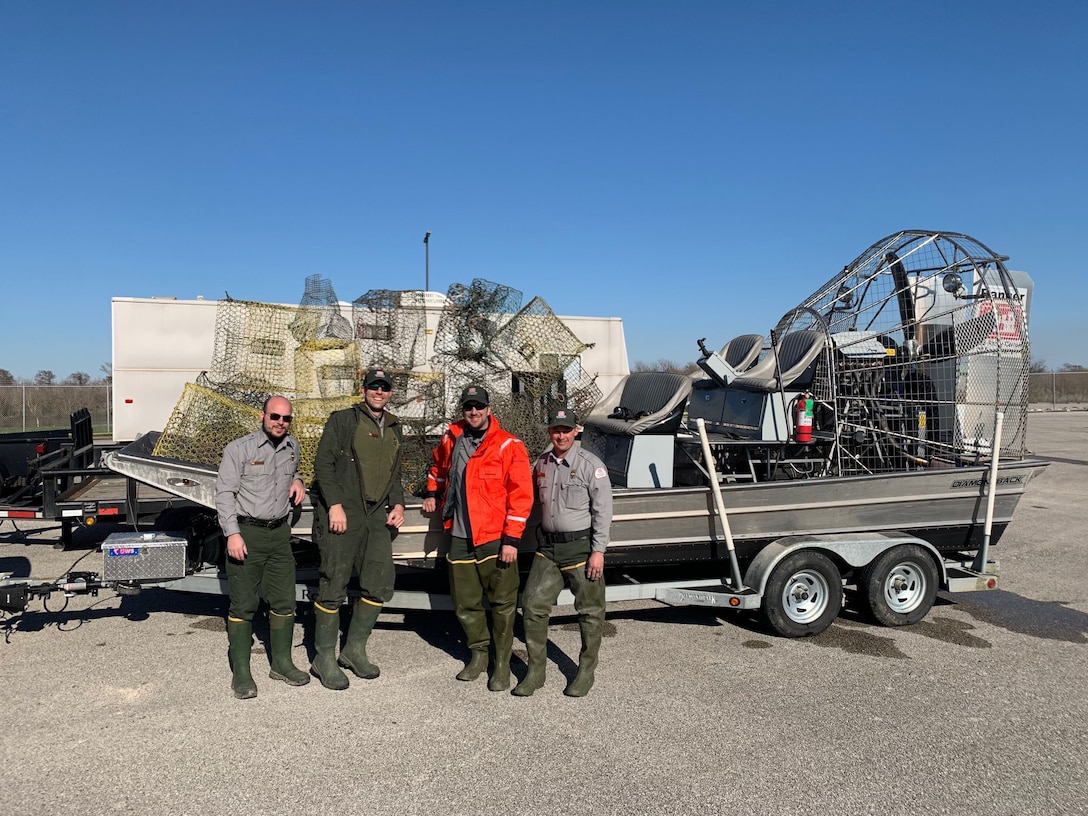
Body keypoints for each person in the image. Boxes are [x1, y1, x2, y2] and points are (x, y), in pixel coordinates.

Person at [422, 384, 533, 691]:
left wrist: (511, 539)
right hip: (458, 533)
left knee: (502, 603)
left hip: (494, 537)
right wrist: (432, 492)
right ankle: (478, 655)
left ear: (488, 409)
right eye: (468, 407)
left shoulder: (508, 445)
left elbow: (521, 495)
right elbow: (439, 467)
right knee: (466, 603)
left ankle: (501, 664)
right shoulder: (452, 436)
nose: (473, 412)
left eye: (478, 407)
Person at [309, 368, 405, 690]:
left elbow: (395, 472)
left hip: (376, 516)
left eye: (384, 388)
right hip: (344, 512)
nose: (379, 392)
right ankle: (323, 658)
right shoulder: (343, 420)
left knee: (378, 584)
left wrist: (399, 504)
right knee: (334, 582)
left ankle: (353, 651)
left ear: (390, 393)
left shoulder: (394, 426)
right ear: (363, 389)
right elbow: (322, 464)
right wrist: (334, 504)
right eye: (374, 387)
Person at [513, 405, 612, 697]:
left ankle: (585, 671)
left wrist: (599, 551)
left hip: (581, 549)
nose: (561, 435)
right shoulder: (541, 463)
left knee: (591, 613)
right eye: (556, 430)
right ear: (549, 432)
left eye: (566, 430)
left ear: (575, 431)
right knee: (532, 607)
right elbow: (528, 499)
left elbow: (603, 511)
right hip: (548, 549)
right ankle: (535, 672)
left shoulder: (590, 465)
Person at [215, 395, 309, 699]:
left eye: (286, 418)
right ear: (262, 415)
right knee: (243, 605)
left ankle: (281, 663)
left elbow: (292, 472)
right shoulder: (239, 449)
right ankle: (241, 671)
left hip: (279, 535)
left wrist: (298, 481)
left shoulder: (292, 447)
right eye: (275, 416)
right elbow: (224, 494)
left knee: (284, 602)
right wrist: (232, 534)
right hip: (247, 534)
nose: (280, 422)